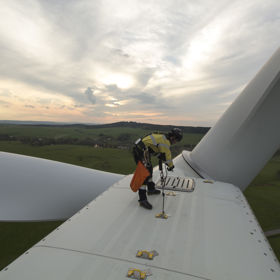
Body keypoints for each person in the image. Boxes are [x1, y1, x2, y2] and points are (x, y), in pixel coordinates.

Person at [132, 128, 183, 209]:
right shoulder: (165, 142)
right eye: (176, 141)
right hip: (140, 151)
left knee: (149, 170)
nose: (175, 143)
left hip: (143, 150)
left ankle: (151, 189)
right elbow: (167, 157)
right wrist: (171, 166)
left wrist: (162, 158)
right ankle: (142, 200)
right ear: (173, 138)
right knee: (145, 174)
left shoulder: (163, 137)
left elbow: (156, 149)